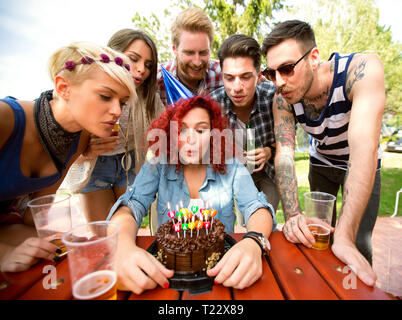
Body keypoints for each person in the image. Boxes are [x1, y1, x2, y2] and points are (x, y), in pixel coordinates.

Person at [107, 96, 275, 294]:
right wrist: (122, 247)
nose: (190, 138)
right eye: (182, 129)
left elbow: (256, 208)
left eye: (201, 130)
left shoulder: (232, 167)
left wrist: (254, 242)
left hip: (222, 276)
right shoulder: (159, 166)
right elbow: (130, 207)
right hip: (166, 277)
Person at [261, 20, 385, 286]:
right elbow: (284, 154)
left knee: (355, 241)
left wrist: (345, 235)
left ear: (314, 57)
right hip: (321, 163)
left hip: (359, 163)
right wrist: (292, 215)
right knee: (316, 237)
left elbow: (364, 148)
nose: (279, 82)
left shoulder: (361, 70)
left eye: (287, 69)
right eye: (271, 74)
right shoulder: (282, 97)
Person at [0, 42, 136, 272]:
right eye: (105, 96)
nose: (117, 111)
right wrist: (4, 254)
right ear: (63, 88)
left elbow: (35, 218)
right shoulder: (6, 119)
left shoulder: (79, 137)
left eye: (122, 102)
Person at [71, 29, 164, 222]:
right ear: (112, 54)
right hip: (96, 165)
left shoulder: (148, 98)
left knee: (127, 227)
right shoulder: (92, 90)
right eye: (133, 59)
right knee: (103, 233)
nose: (141, 70)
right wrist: (85, 152)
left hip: (129, 164)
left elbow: (168, 129)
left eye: (148, 65)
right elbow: (63, 148)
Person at [210, 34, 279, 213]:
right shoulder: (213, 103)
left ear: (258, 76)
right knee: (228, 225)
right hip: (228, 176)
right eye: (229, 78)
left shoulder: (274, 97)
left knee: (266, 219)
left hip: (268, 174)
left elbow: (287, 139)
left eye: (246, 77)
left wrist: (268, 151)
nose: (237, 87)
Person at [157, 7, 223, 106]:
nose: (197, 62)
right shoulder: (156, 81)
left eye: (203, 53)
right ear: (175, 49)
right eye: (189, 53)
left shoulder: (224, 75)